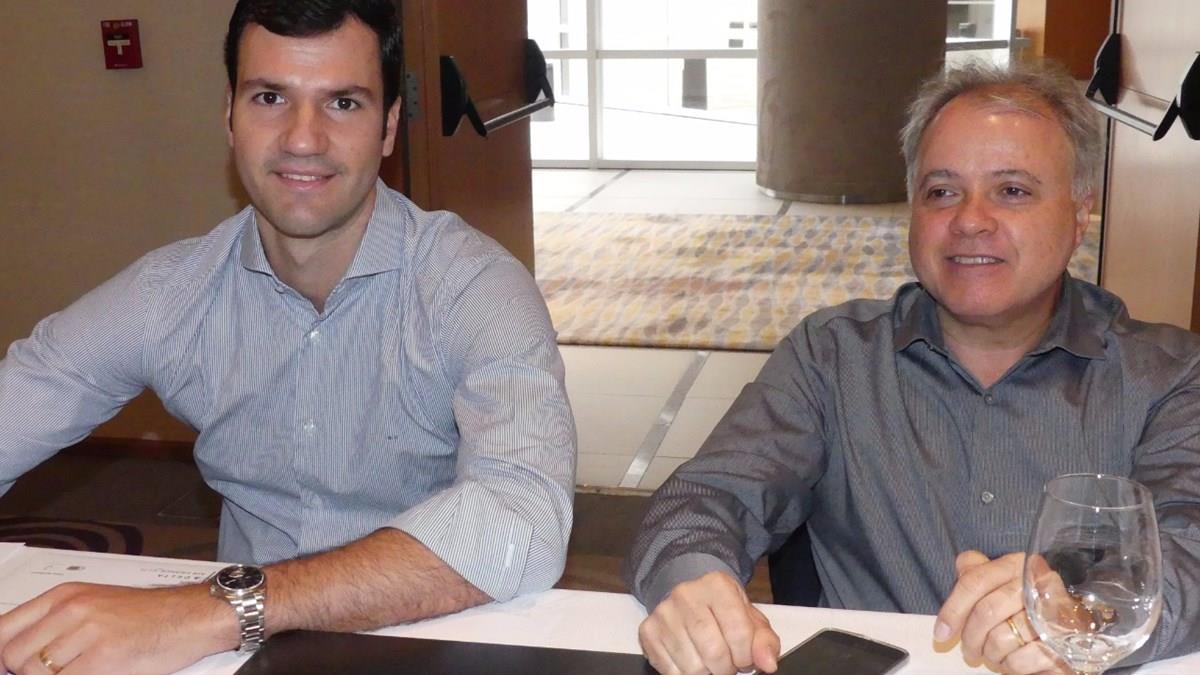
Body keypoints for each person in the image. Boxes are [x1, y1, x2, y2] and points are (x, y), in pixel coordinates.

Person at [0, 1, 575, 673]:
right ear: (230, 115)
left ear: (389, 126)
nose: (303, 138)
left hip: (435, 637)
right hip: (239, 656)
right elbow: (21, 399)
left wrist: (221, 608)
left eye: (343, 103)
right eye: (270, 97)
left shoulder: (473, 287)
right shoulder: (170, 295)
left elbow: (522, 514)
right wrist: (227, 616)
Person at [625, 60, 1200, 675]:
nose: (970, 220)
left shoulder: (1167, 377)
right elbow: (708, 498)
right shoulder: (832, 357)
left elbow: (1190, 551)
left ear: (1080, 214)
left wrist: (1080, 614)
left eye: (1012, 191)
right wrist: (694, 582)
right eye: (941, 191)